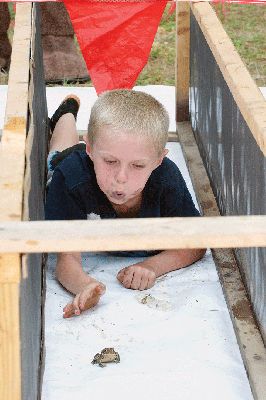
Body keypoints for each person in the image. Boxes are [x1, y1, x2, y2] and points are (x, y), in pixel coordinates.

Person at [45, 90, 206, 318]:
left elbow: (196, 243)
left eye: (138, 166)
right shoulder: (71, 178)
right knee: (57, 153)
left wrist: (152, 266)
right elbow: (66, 259)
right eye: (111, 162)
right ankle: (66, 115)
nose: (121, 177)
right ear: (90, 148)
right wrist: (85, 286)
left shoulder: (166, 178)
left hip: (94, 158)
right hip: (68, 162)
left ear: (159, 160)